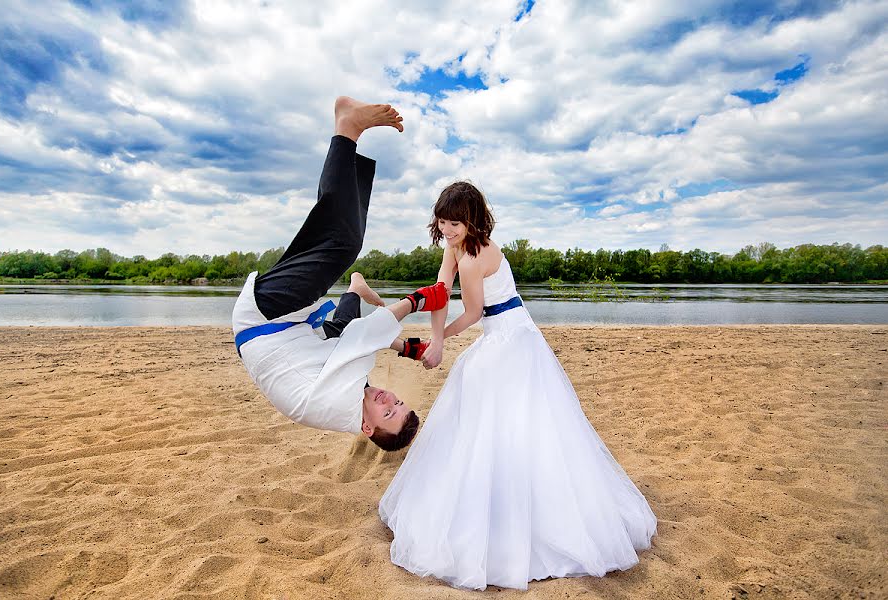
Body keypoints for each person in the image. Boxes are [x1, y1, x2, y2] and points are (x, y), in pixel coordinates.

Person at [379, 182, 657, 589]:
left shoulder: (475, 255)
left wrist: (439, 342)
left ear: (472, 220)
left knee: (508, 415)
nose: (448, 229)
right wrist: (433, 339)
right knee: (476, 404)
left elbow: (473, 313)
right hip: (500, 331)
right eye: (443, 221)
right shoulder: (453, 244)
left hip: (510, 335)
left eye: (455, 222)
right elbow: (440, 291)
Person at [231, 97, 448, 451]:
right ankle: (353, 289)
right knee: (339, 320)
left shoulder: (337, 402)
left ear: (366, 427)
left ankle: (346, 127)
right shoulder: (351, 399)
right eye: (398, 402)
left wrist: (417, 300)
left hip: (267, 317)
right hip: (292, 332)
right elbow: (352, 342)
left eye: (388, 413)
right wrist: (408, 348)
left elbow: (362, 338)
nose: (388, 400)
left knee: (343, 243)